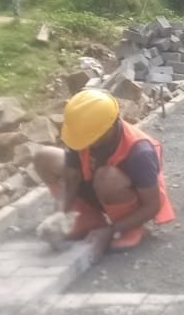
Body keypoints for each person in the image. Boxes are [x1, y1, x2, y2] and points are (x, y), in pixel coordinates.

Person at [34, 89, 175, 251]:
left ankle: (130, 228)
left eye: (91, 138)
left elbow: (152, 206)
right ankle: (86, 219)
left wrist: (111, 230)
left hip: (128, 199)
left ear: (111, 126)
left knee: (107, 177)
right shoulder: (83, 133)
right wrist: (61, 213)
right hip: (95, 185)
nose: (86, 144)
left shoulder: (140, 153)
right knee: (44, 158)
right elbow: (71, 177)